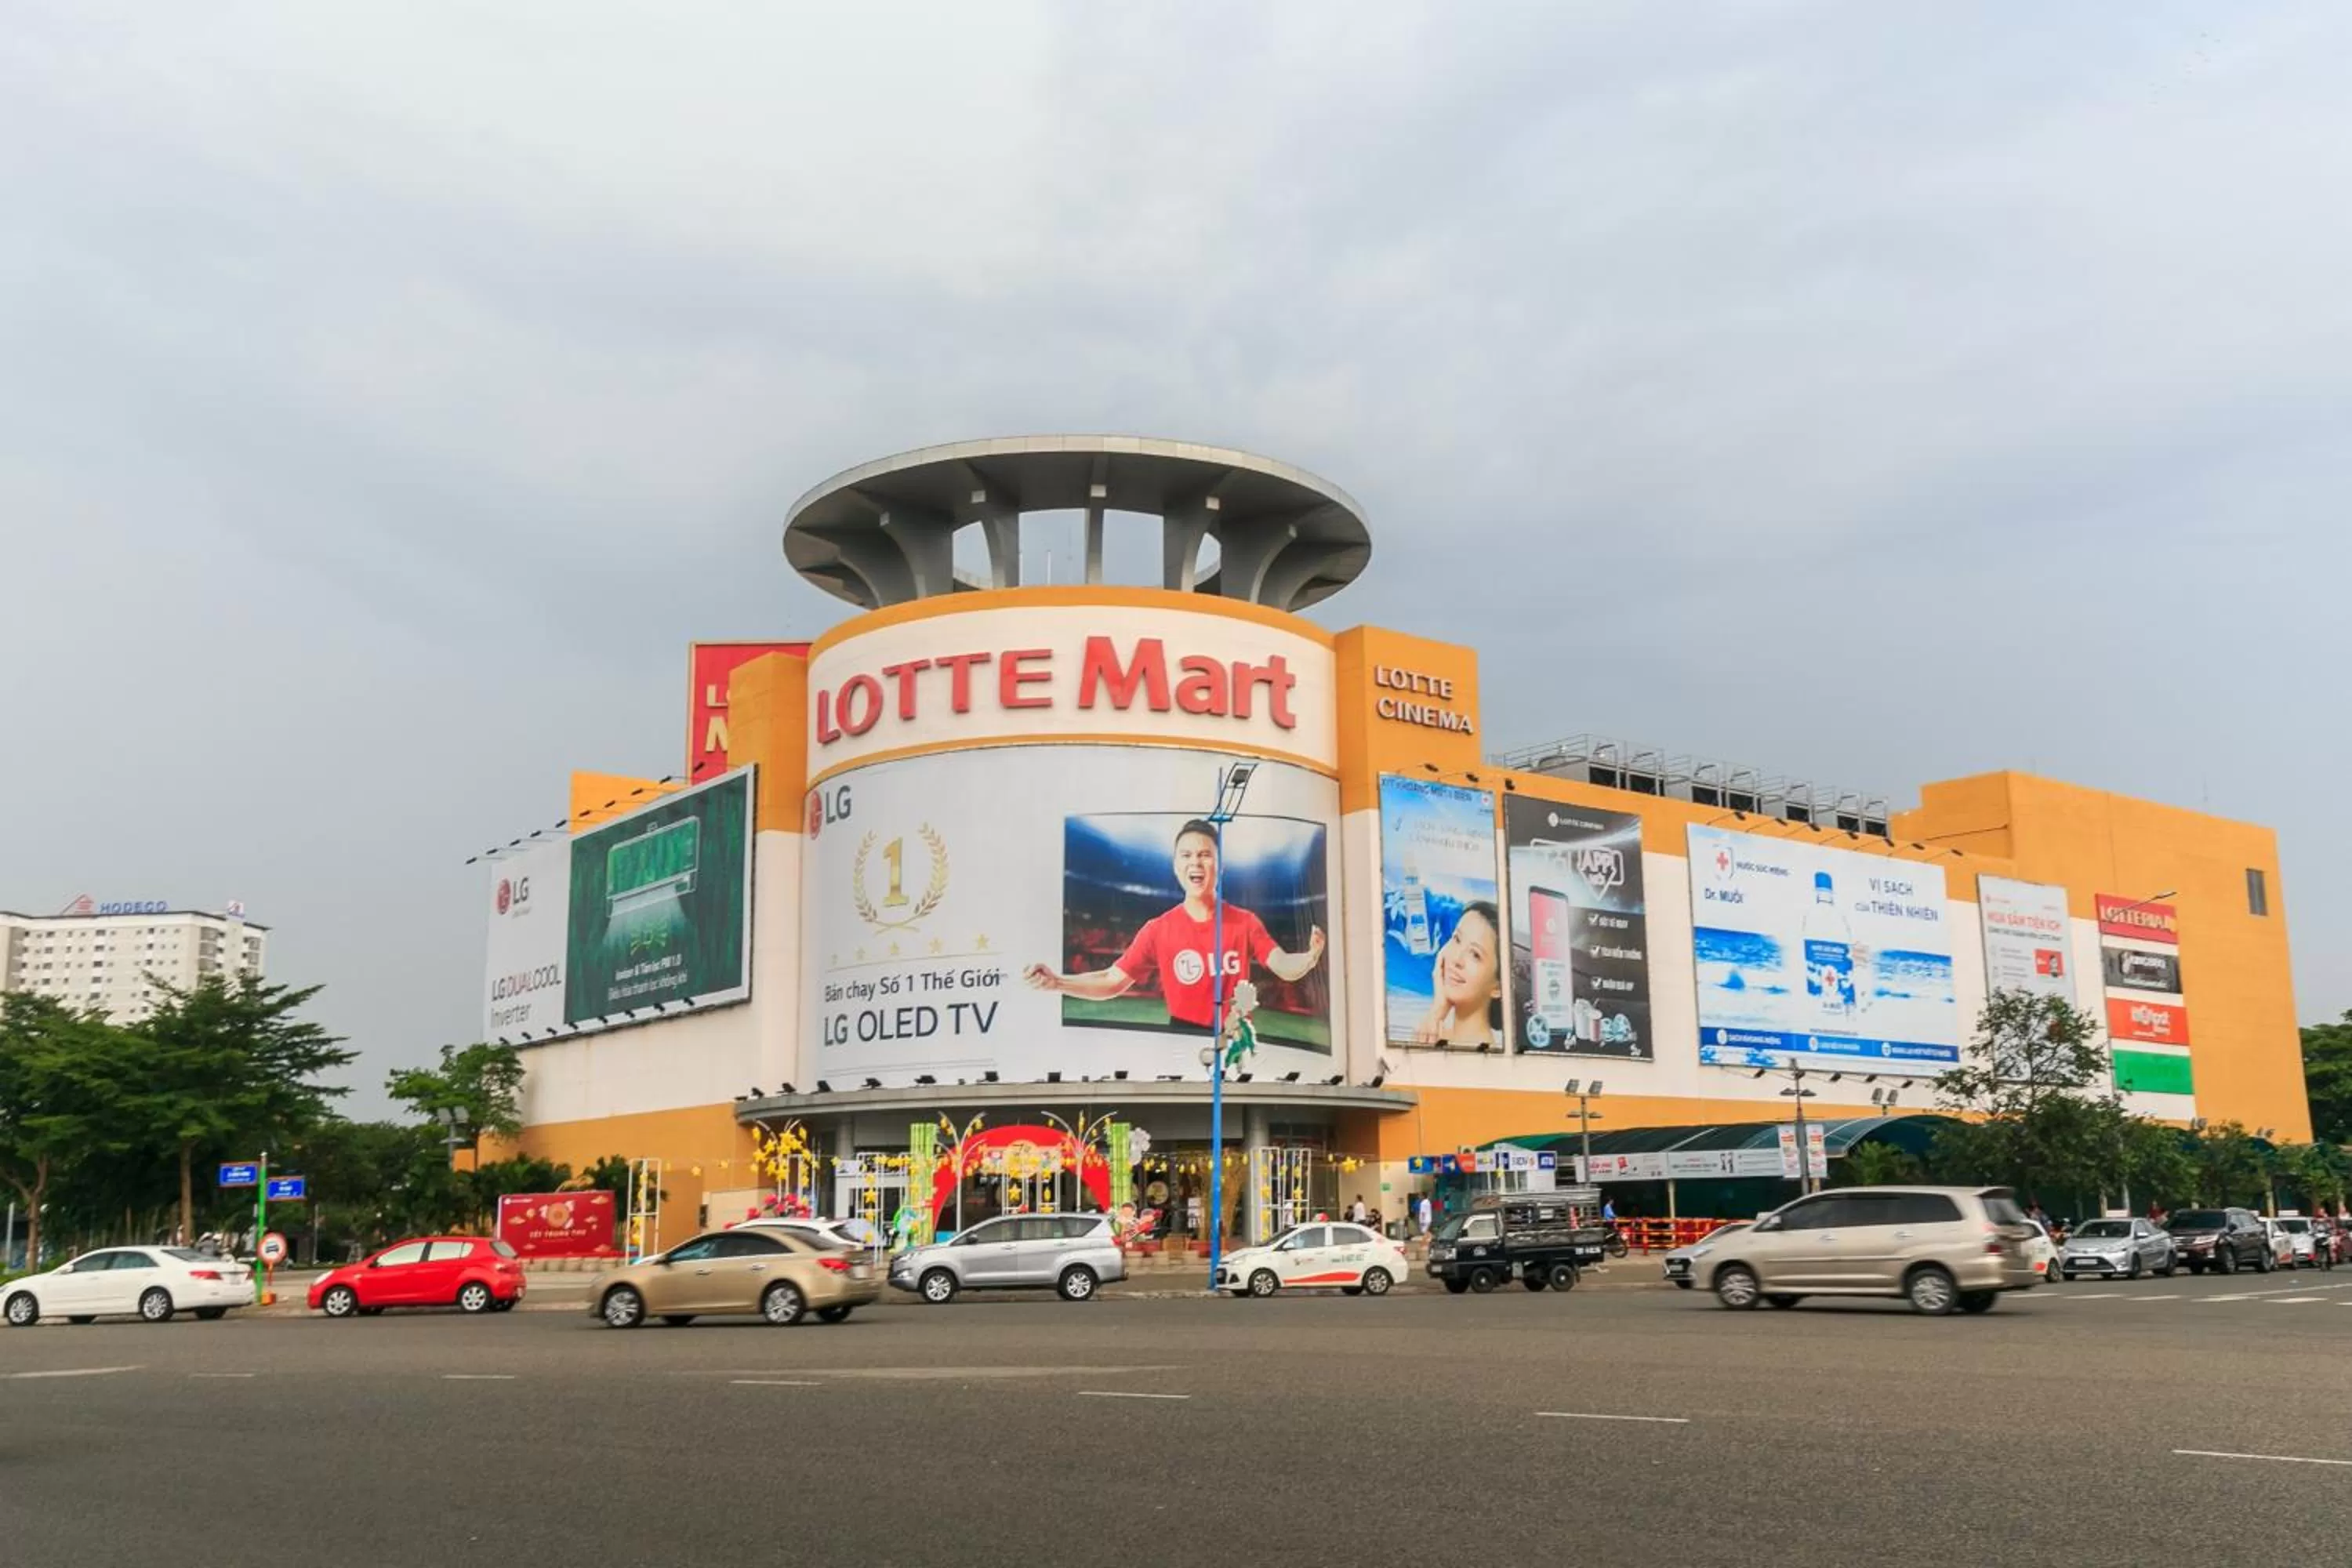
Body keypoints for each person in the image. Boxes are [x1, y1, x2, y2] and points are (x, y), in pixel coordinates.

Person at [1025, 818, 1327, 1029]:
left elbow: (1282, 964)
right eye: (1187, 855)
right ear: (1176, 866)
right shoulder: (1158, 929)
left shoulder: (1245, 923)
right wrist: (1057, 983)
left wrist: (1309, 958)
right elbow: (1111, 980)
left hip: (1237, 1042)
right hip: (1182, 1038)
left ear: (1219, 867)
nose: (1196, 862)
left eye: (1205, 855)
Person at [1413, 901, 1504, 1049]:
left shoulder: (1484, 1056)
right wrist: (1438, 1008)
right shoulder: (1442, 1037)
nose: (1457, 959)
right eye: (1457, 939)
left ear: (1498, 987)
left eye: (1475, 954)